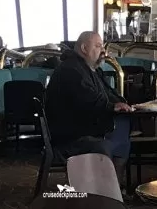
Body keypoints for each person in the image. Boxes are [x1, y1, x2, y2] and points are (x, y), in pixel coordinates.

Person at [44, 30, 132, 159]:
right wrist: (112, 106)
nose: (103, 51)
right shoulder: (71, 70)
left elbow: (108, 95)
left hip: (85, 131)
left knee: (122, 128)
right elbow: (87, 101)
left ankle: (113, 171)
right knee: (108, 143)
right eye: (98, 46)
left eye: (103, 46)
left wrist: (122, 103)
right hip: (71, 138)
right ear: (84, 48)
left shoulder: (90, 69)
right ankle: (108, 171)